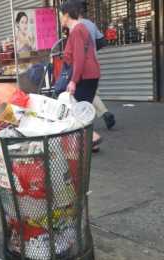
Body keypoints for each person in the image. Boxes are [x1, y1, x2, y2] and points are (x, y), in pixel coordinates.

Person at [60, 1, 102, 152]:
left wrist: (73, 81)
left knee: (76, 109)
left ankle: (93, 138)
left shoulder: (77, 30)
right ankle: (90, 142)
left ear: (66, 15)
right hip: (90, 74)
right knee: (81, 109)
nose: (60, 18)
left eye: (60, 14)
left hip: (85, 76)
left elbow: (79, 58)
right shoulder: (78, 29)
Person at [77, 1, 116, 130]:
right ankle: (104, 114)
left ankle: (84, 124)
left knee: (82, 92)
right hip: (93, 61)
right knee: (91, 91)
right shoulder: (91, 24)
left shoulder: (75, 25)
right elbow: (102, 41)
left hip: (81, 63)